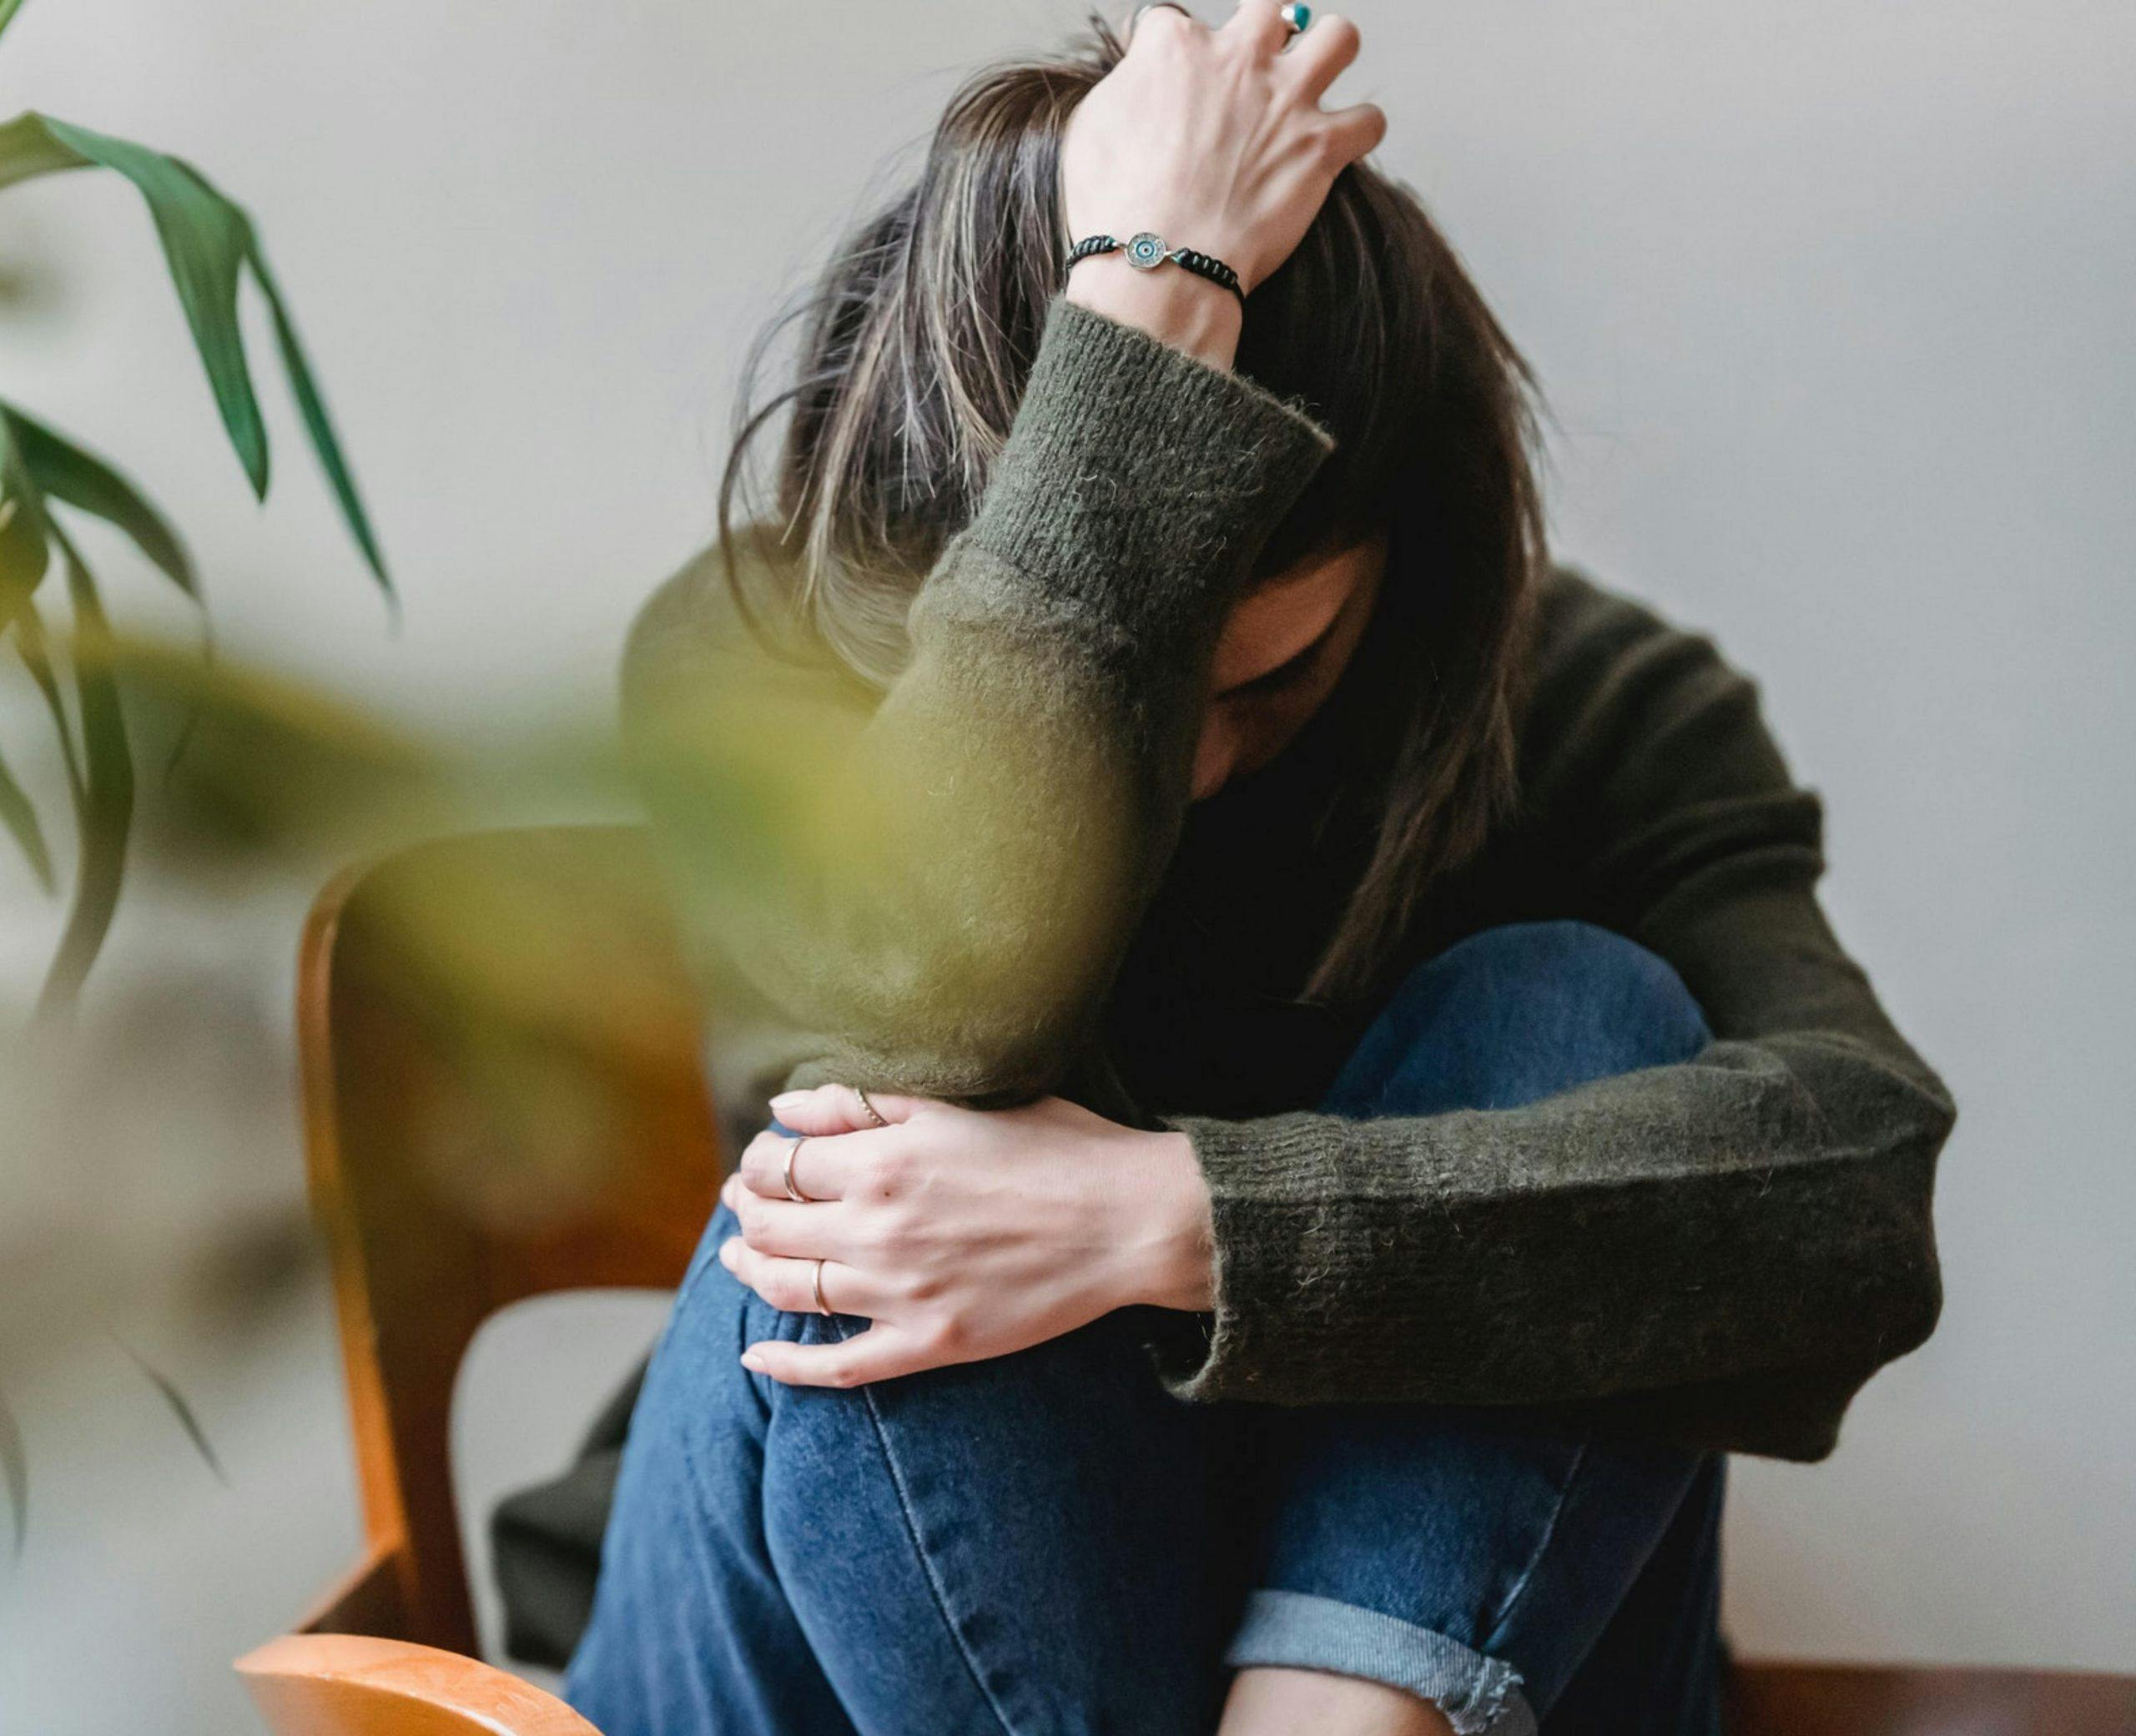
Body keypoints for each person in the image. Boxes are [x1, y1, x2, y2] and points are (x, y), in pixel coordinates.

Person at [495, 6, 1954, 1732]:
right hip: (816, 1646)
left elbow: (1847, 1196)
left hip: (1381, 1674)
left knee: (1573, 1003)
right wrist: (1149, 303)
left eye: (1262, 683)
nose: (1186, 765)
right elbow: (923, 1035)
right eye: (1136, 677)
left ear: (1407, 571)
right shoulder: (752, 654)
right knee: (881, 1192)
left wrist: (1171, 1223)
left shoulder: (1574, 701)